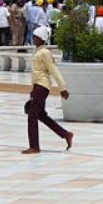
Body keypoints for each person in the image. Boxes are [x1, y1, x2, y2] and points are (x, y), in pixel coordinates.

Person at [23, 26, 73, 154]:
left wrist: (62, 88)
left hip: (42, 86)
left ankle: (34, 146)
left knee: (32, 116)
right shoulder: (38, 51)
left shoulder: (45, 53)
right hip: (38, 86)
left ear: (42, 39)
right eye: (33, 37)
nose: (34, 39)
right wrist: (33, 89)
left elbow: (53, 70)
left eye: (36, 37)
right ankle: (65, 134)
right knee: (40, 115)